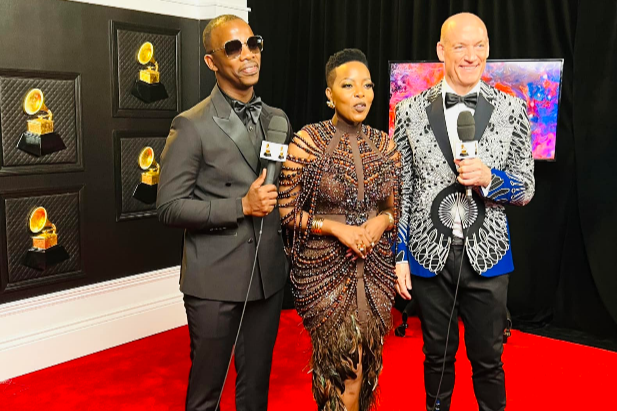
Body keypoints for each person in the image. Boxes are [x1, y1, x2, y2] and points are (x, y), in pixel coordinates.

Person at [393, 13, 535, 411]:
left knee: (489, 361)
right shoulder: (407, 112)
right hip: (427, 254)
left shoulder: (513, 109)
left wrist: (492, 179)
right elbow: (402, 189)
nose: (471, 56)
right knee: (436, 358)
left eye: (480, 46)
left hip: (488, 256)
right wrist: (400, 254)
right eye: (460, 46)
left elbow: (526, 188)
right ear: (441, 51)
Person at [156, 15, 293, 411]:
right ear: (211, 61)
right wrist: (240, 207)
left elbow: (276, 189)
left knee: (256, 391)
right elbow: (168, 207)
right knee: (206, 395)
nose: (248, 55)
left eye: (253, 43)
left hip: (266, 277)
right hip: (213, 280)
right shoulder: (191, 125)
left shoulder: (278, 120)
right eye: (233, 48)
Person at [278, 49, 400, 411]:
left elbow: (394, 209)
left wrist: (380, 222)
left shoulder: (385, 145)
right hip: (324, 273)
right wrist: (335, 228)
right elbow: (287, 214)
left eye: (367, 86)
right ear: (329, 94)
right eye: (348, 86)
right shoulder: (308, 141)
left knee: (363, 368)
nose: (360, 94)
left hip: (375, 271)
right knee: (342, 366)